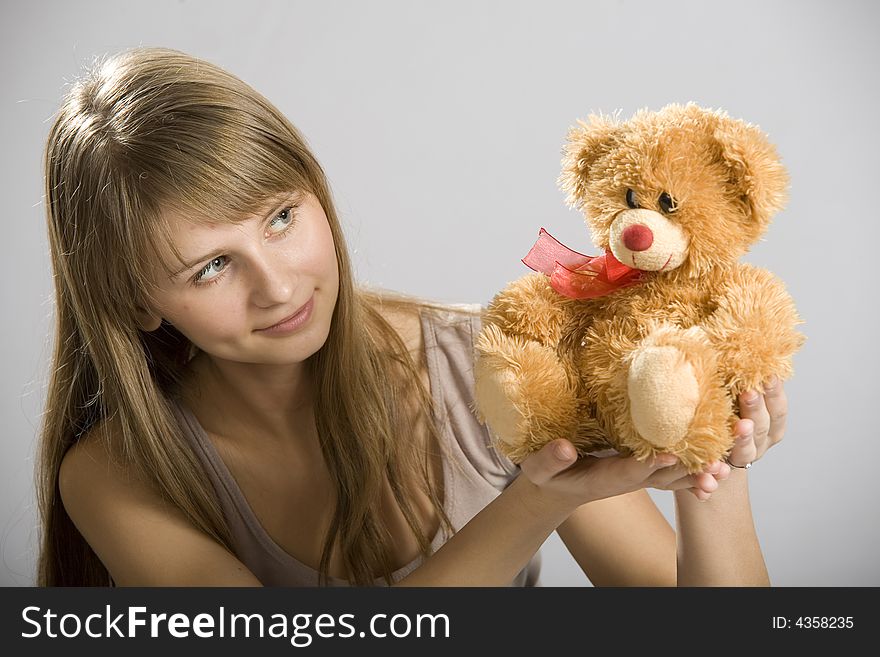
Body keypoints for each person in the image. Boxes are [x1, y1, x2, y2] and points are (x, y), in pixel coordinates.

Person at [37, 47, 787, 587]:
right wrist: (534, 502)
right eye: (211, 266)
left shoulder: (492, 365)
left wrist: (719, 451)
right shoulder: (117, 474)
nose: (276, 286)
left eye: (280, 218)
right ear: (135, 301)